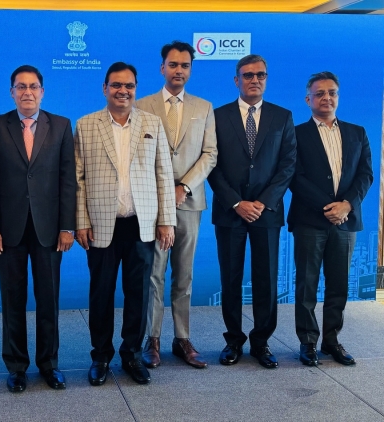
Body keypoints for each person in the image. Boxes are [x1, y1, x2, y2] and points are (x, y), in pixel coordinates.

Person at [75, 62, 175, 386]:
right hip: (101, 224)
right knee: (100, 294)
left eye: (129, 85)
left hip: (141, 224)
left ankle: (131, 354)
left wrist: (166, 221)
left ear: (135, 88)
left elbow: (163, 174)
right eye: (116, 85)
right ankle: (101, 356)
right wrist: (81, 221)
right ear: (104, 88)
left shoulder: (152, 123)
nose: (123, 91)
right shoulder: (86, 125)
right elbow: (78, 179)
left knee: (138, 295)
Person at [0, 65, 76, 393]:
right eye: (20, 87)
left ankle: (49, 364)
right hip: (8, 230)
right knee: (12, 300)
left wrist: (68, 227)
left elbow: (67, 179)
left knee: (48, 299)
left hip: (50, 229)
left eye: (33, 86)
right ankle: (17, 367)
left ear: (42, 91)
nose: (27, 92)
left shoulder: (61, 126)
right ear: (12, 92)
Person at [207, 54, 296, 369]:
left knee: (266, 279)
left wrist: (264, 201)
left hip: (267, 212)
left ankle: (261, 342)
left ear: (266, 79)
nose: (254, 80)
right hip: (230, 211)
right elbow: (211, 165)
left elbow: (288, 164)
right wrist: (236, 202)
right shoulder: (217, 116)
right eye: (247, 75)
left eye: (260, 75)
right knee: (230, 279)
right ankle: (233, 341)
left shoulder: (282, 117)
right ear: (236, 80)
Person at [136, 41, 217, 369]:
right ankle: (151, 339)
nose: (178, 70)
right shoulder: (142, 105)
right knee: (153, 274)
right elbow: (138, 157)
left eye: (184, 65)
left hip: (189, 201)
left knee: (184, 274)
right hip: (152, 206)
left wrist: (183, 186)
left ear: (190, 70)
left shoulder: (204, 107)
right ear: (162, 68)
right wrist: (162, 191)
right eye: (173, 65)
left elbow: (210, 154)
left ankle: (182, 337)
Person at [288, 71, 373, 367]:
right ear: (308, 99)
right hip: (311, 220)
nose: (327, 98)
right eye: (320, 93)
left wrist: (347, 205)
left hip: (347, 221)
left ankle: (332, 340)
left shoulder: (357, 132)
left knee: (339, 285)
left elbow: (366, 175)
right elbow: (294, 177)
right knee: (307, 284)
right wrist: (330, 206)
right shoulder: (296, 134)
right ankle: (308, 342)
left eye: (332, 92)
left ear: (338, 96)